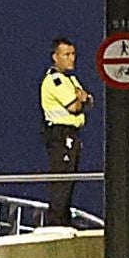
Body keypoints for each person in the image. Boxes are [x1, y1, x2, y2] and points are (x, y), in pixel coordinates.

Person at [39, 36, 92, 227]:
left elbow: (88, 100)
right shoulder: (55, 81)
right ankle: (56, 223)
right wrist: (81, 98)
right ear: (55, 57)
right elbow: (74, 107)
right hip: (61, 135)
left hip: (72, 135)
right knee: (61, 182)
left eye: (73, 54)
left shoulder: (70, 80)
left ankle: (64, 221)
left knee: (70, 181)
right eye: (66, 54)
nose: (71, 58)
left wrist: (82, 98)